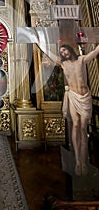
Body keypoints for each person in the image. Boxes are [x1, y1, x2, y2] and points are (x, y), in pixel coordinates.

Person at [38, 42, 99, 176]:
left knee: (83, 128)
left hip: (85, 97)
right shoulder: (63, 64)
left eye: (65, 50)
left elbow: (95, 52)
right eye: (62, 52)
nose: (64, 53)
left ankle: (84, 160)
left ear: (70, 50)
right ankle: (77, 160)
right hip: (73, 96)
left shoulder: (81, 60)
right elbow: (50, 54)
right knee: (76, 125)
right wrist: (39, 41)